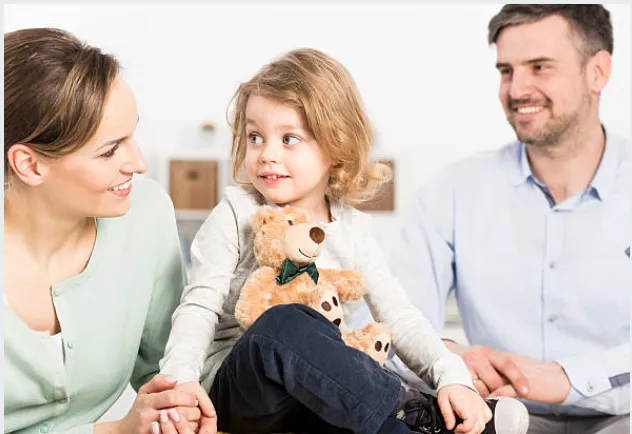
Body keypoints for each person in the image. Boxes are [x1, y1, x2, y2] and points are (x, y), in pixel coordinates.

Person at [158, 48, 529, 434]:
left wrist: (453, 376)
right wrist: (180, 383)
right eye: (255, 137)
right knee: (285, 323)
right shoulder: (237, 212)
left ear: (335, 147)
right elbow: (198, 306)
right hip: (241, 392)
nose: (266, 154)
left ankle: (429, 420)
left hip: (311, 395)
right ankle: (415, 407)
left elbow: (399, 316)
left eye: (288, 139)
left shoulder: (353, 229)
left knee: (359, 405)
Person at [389, 5, 630, 434]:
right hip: (495, 418)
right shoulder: (453, 192)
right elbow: (386, 326)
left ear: (598, 72)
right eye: (506, 71)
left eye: (540, 67)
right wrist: (446, 356)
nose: (518, 89)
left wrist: (567, 378)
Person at [3, 28, 216, 434]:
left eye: (132, 135)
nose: (138, 162)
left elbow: (170, 365)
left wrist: (180, 409)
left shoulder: (145, 214)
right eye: (109, 150)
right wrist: (114, 431)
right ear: (30, 165)